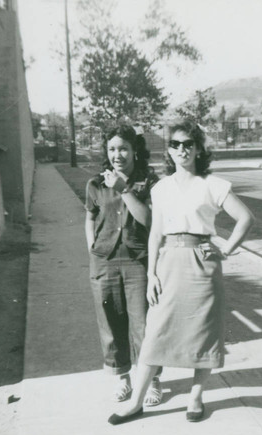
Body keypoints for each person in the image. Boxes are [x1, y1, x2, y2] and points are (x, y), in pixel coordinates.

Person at [108, 120, 254, 425]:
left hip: (202, 263)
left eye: (188, 143)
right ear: (169, 150)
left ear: (199, 148)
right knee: (155, 333)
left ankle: (196, 397)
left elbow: (245, 218)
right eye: (175, 144)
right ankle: (136, 402)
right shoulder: (162, 188)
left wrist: (227, 248)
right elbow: (155, 234)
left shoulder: (213, 185)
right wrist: (151, 275)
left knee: (203, 334)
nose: (182, 149)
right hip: (169, 263)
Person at [85, 124, 162, 406]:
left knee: (144, 326)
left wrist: (125, 189)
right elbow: (91, 217)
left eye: (123, 148)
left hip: (138, 262)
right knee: (111, 324)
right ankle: (123, 379)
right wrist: (92, 248)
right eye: (112, 149)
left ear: (135, 151)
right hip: (104, 261)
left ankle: (152, 380)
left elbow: (149, 220)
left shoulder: (150, 182)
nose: (117, 155)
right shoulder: (95, 183)